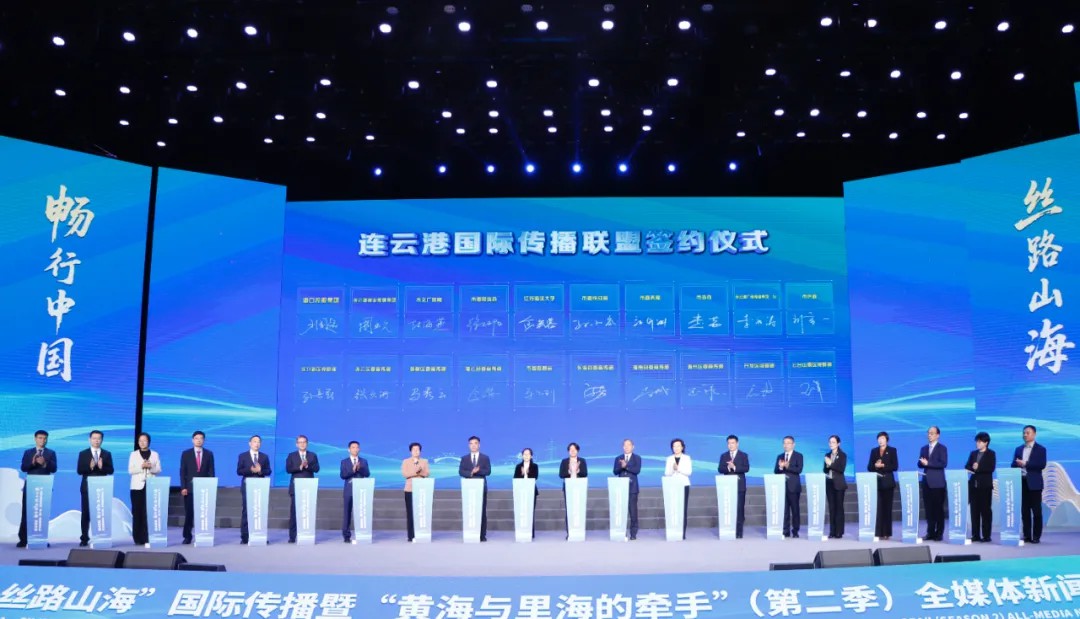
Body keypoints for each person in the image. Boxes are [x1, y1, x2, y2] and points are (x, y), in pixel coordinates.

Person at [17, 430, 57, 548]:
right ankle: (23, 539)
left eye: (45, 438)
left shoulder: (51, 453)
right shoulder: (28, 452)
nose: (42, 440)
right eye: (40, 438)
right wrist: (33, 463)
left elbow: (54, 469)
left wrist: (45, 464)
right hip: (30, 485)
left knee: (42, 513)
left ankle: (41, 538)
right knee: (26, 512)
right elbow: (23, 468)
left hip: (45, 485)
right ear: (35, 439)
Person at [76, 430, 114, 547]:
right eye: (94, 438)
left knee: (101, 513)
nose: (96, 441)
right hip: (87, 487)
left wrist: (102, 467)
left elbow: (111, 470)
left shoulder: (107, 454)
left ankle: (101, 536)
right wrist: (90, 467)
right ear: (90, 440)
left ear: (102, 440)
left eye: (99, 438)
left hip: (102, 487)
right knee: (86, 513)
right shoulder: (83, 454)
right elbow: (79, 470)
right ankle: (84, 538)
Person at [179, 430, 215, 544]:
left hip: (204, 489)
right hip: (189, 489)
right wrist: (183, 487)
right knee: (189, 513)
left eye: (201, 438)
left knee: (203, 513)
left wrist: (210, 487)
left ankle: (203, 535)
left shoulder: (209, 454)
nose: (199, 440)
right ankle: (187, 536)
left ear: (204, 440)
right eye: (196, 438)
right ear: (192, 440)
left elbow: (211, 471)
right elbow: (182, 471)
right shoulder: (186, 453)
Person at [1013, 425, 1047, 544]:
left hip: (1035, 484)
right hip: (1022, 482)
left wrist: (1025, 464)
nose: (1025, 435)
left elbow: (1041, 465)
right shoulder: (1018, 449)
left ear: (1034, 434)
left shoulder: (1041, 449)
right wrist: (1017, 464)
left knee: (1036, 511)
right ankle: (1027, 535)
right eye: (1024, 433)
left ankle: (1036, 536)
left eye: (1028, 433)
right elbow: (1013, 464)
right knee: (1025, 511)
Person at [127, 432, 161, 546]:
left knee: (149, 512)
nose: (142, 443)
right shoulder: (133, 454)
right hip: (137, 486)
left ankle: (147, 537)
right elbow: (130, 470)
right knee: (137, 511)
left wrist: (151, 467)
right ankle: (137, 538)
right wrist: (141, 467)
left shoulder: (155, 454)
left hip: (151, 485)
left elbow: (158, 469)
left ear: (149, 442)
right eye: (140, 441)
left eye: (144, 440)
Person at [236, 435, 271, 544]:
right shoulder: (243, 456)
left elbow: (268, 471)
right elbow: (239, 471)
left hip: (260, 486)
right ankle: (245, 537)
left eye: (259, 442)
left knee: (260, 511)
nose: (257, 444)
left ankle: (260, 535)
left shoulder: (264, 457)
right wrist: (250, 470)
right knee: (246, 511)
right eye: (254, 441)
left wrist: (260, 471)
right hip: (247, 486)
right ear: (250, 443)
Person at [285, 435, 320, 543]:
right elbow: (288, 469)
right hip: (296, 486)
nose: (302, 444)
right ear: (297, 444)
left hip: (309, 487)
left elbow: (317, 469)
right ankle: (292, 536)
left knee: (308, 511)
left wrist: (307, 466)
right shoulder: (291, 455)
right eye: (300, 442)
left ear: (307, 443)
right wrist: (299, 467)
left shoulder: (312, 455)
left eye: (304, 442)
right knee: (294, 512)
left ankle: (307, 534)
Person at [458, 436, 491, 541]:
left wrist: (478, 471)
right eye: (471, 443)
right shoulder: (464, 458)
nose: (473, 445)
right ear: (469, 445)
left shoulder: (485, 458)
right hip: (468, 488)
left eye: (475, 443)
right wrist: (471, 473)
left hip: (481, 488)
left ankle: (482, 535)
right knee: (469, 510)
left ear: (479, 445)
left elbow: (488, 471)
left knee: (482, 511)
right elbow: (461, 472)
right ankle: (470, 532)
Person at [918, 426, 948, 541]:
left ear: (938, 435)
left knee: (938, 509)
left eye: (932, 433)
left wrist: (928, 463)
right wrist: (922, 463)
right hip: (926, 482)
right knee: (929, 509)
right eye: (928, 433)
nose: (929, 435)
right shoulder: (924, 448)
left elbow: (943, 464)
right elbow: (919, 463)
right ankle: (930, 532)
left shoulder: (942, 448)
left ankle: (939, 533)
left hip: (938, 483)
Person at [965, 432, 996, 543]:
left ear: (986, 442)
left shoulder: (991, 453)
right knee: (974, 511)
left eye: (979, 441)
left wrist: (978, 467)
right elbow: (967, 466)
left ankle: (986, 536)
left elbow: (991, 468)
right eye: (977, 441)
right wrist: (972, 467)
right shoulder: (973, 453)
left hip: (985, 486)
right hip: (973, 486)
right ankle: (975, 535)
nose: (977, 443)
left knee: (985, 511)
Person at [867, 431, 898, 540]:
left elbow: (895, 466)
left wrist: (883, 465)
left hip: (888, 483)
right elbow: (869, 467)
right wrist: (876, 466)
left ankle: (886, 532)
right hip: (877, 483)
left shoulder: (892, 450)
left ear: (887, 440)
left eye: (882, 438)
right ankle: (878, 532)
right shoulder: (874, 451)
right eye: (879, 439)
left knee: (887, 508)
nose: (880, 440)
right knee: (878, 508)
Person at [718, 434, 749, 538]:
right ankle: (728, 530)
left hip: (740, 486)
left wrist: (734, 467)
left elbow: (746, 468)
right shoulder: (724, 456)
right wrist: (728, 467)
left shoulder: (743, 455)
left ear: (737, 444)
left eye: (733, 443)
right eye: (729, 443)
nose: (730, 445)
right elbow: (720, 469)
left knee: (739, 509)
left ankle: (739, 532)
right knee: (728, 508)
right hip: (727, 486)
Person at [340, 440, 370, 543]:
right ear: (349, 449)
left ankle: (362, 534)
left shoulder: (364, 461)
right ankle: (346, 536)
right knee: (347, 513)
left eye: (357, 447)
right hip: (349, 490)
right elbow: (343, 475)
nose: (355, 449)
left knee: (361, 512)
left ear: (359, 449)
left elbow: (367, 474)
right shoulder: (344, 462)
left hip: (361, 490)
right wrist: (352, 470)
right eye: (353, 447)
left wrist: (359, 468)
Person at [774, 435, 804, 539]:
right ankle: (785, 531)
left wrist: (787, 466)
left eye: (788, 443)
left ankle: (795, 531)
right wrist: (780, 467)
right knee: (784, 510)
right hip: (782, 486)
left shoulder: (798, 456)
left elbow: (799, 470)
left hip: (793, 487)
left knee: (795, 510)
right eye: (784, 443)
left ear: (793, 444)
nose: (786, 445)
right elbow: (776, 471)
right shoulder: (780, 456)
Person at [613, 438, 642, 540]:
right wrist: (621, 467)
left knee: (633, 511)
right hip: (620, 489)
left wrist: (626, 466)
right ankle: (622, 532)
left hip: (632, 488)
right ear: (622, 447)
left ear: (633, 447)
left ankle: (633, 533)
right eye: (625, 445)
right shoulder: (618, 458)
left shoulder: (637, 458)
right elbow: (615, 472)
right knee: (621, 511)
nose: (626, 447)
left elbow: (637, 470)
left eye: (629, 445)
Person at [664, 438, 693, 539]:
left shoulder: (687, 458)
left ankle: (682, 533)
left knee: (683, 509)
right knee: (673, 508)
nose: (676, 448)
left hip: (684, 485)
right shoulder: (669, 459)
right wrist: (673, 470)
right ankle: (673, 531)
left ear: (682, 447)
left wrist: (678, 468)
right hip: (672, 485)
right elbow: (667, 473)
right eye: (674, 446)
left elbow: (689, 472)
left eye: (678, 446)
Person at [558, 442, 588, 538]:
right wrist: (570, 471)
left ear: (577, 451)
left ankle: (579, 531)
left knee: (579, 509)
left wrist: (577, 471)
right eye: (570, 449)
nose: (572, 451)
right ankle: (569, 532)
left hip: (579, 488)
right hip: (568, 487)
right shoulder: (564, 461)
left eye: (574, 449)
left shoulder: (582, 461)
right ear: (568, 451)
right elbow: (561, 475)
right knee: (569, 509)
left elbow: (585, 473)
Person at [401, 442, 430, 542]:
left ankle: (421, 533)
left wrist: (420, 471)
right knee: (410, 513)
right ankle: (411, 535)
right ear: (410, 451)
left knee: (421, 512)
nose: (416, 451)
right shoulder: (406, 461)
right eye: (414, 450)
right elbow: (405, 474)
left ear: (420, 451)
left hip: (421, 490)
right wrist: (416, 472)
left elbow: (427, 473)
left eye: (418, 450)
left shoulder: (424, 461)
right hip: (409, 489)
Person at [824, 434, 848, 539]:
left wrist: (831, 464)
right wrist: (827, 465)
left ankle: (839, 532)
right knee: (831, 508)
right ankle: (832, 531)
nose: (831, 444)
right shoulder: (827, 455)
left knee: (839, 508)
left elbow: (841, 469)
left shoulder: (842, 455)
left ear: (838, 443)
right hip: (829, 483)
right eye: (830, 442)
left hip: (839, 484)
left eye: (833, 442)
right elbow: (825, 470)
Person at [513, 447, 540, 538]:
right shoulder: (518, 466)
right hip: (520, 492)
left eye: (528, 454)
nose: (526, 456)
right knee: (521, 511)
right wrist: (522, 474)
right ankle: (521, 531)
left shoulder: (535, 466)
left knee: (530, 512)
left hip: (531, 491)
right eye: (524, 454)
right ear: (522, 456)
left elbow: (535, 477)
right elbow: (515, 478)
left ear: (531, 456)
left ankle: (530, 533)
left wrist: (526, 474)